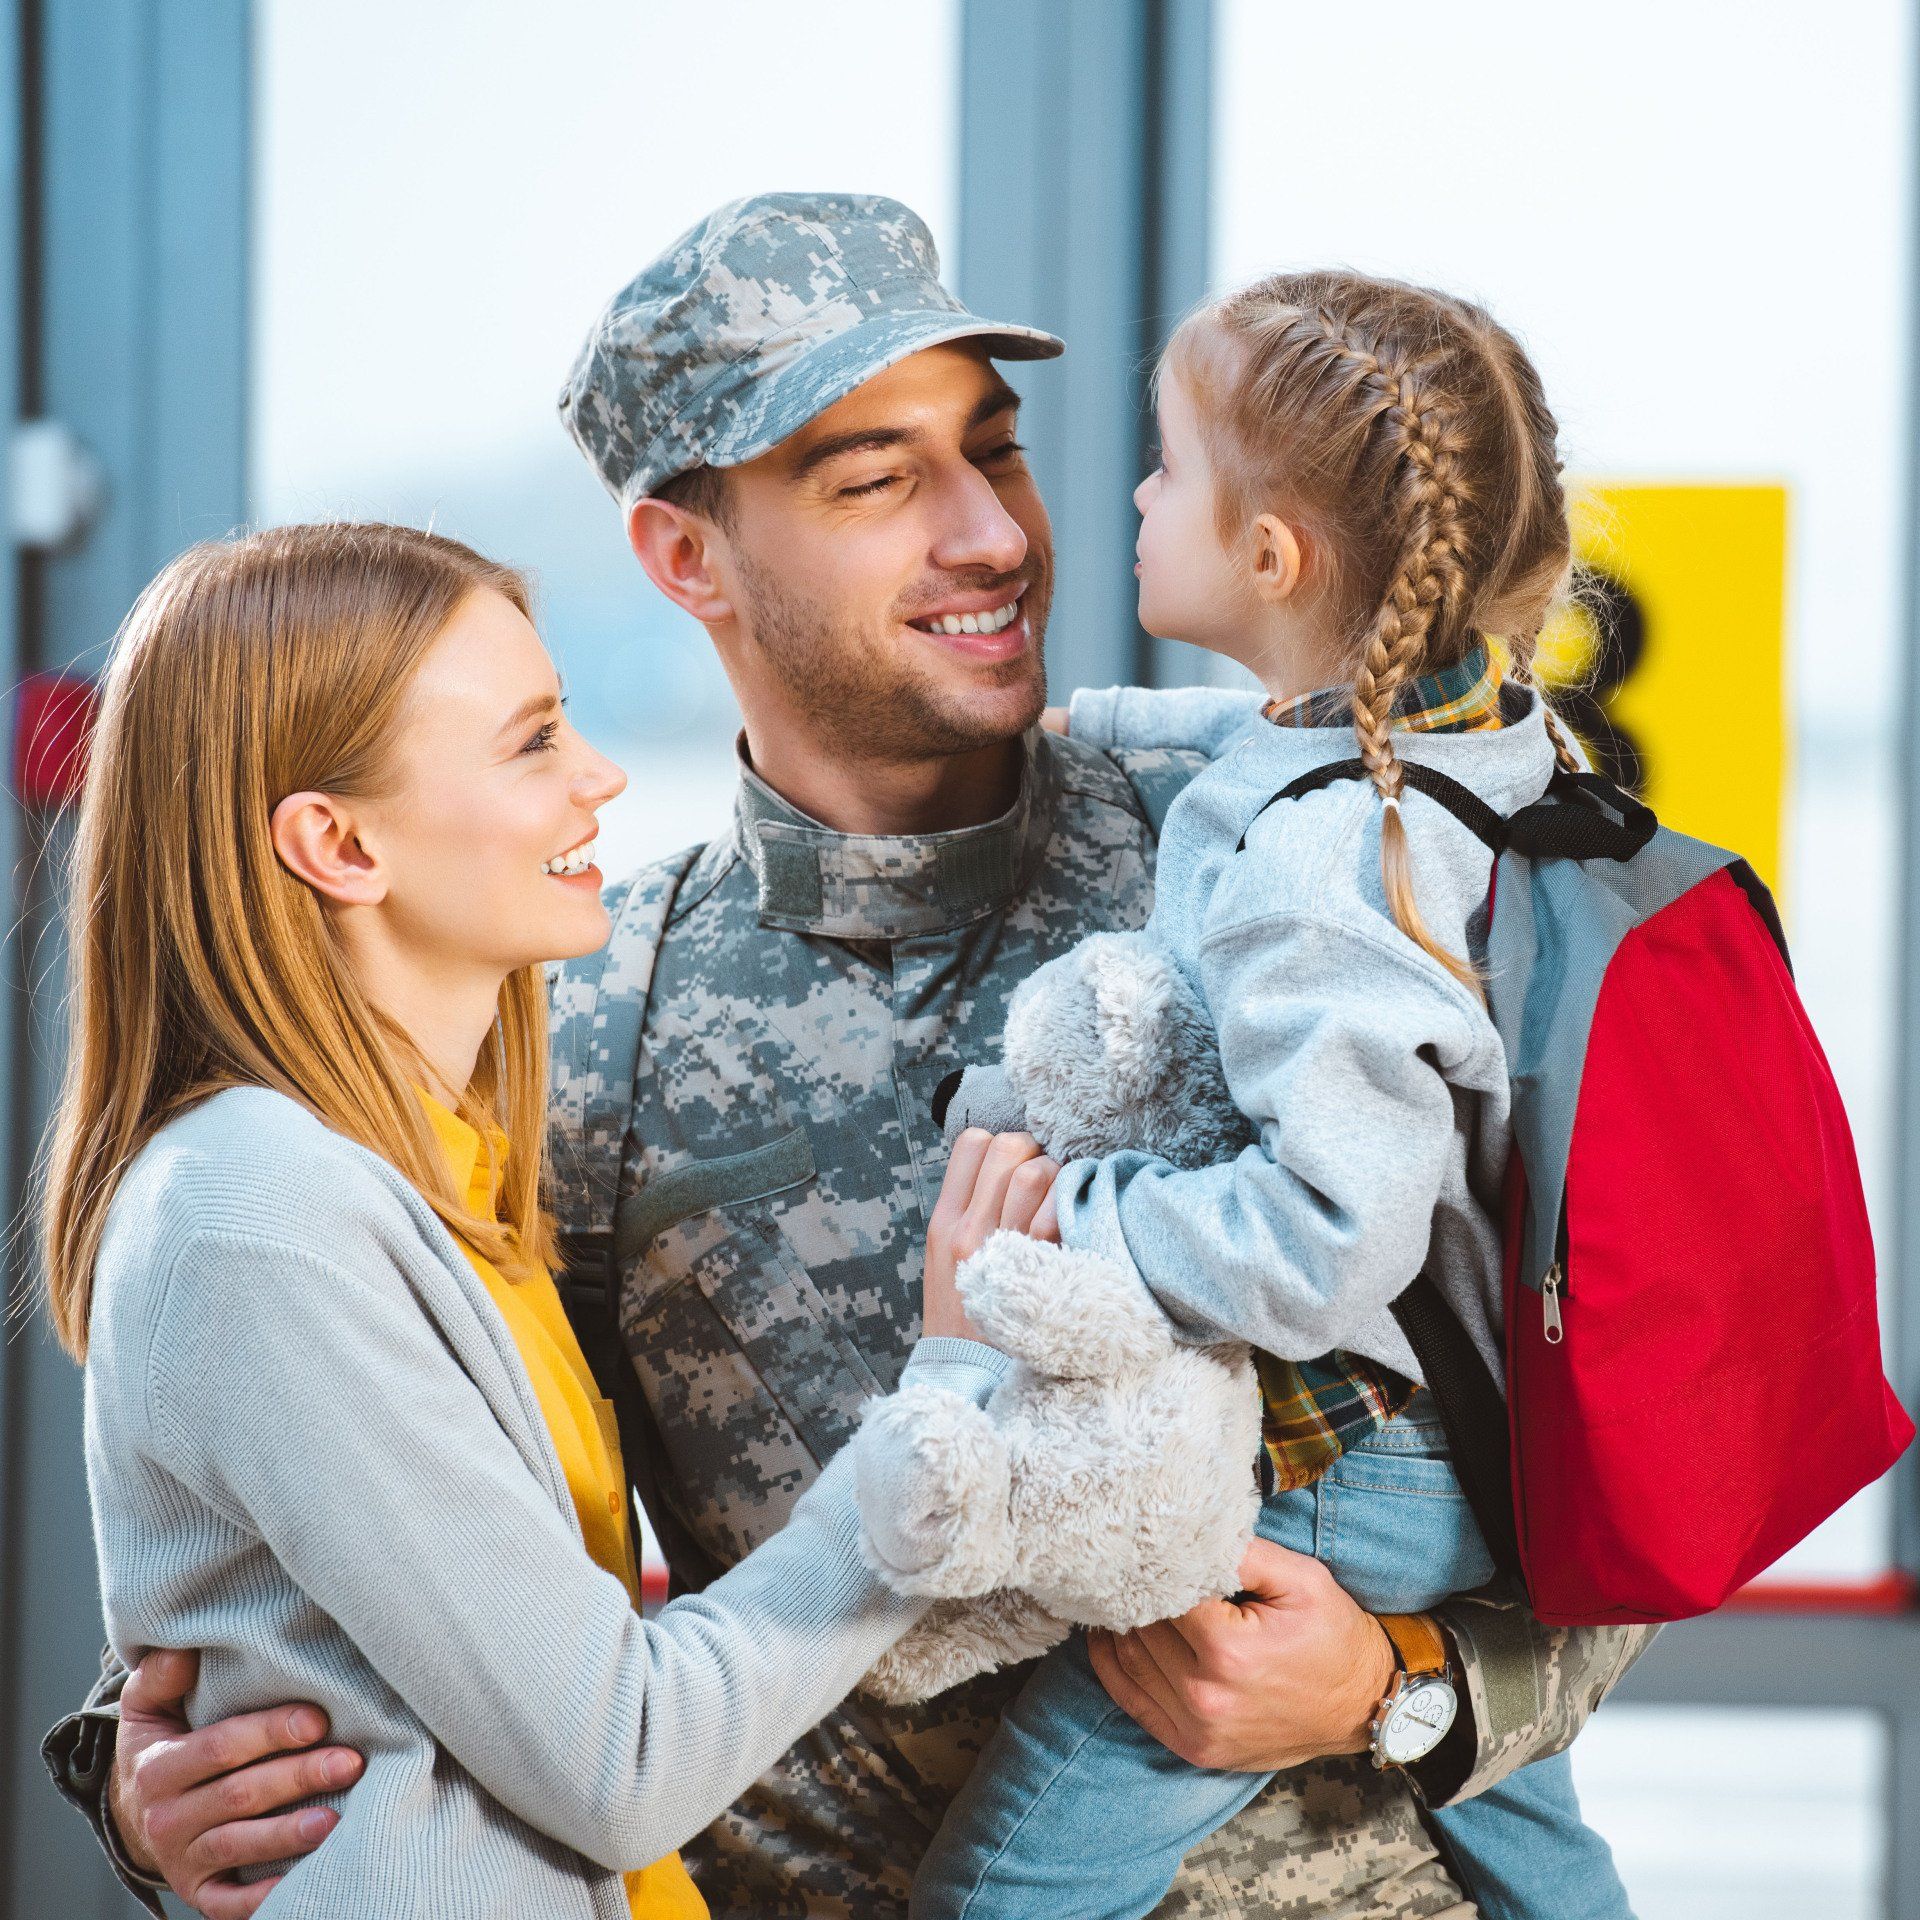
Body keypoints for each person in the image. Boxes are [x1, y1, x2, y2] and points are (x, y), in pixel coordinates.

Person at [48, 195, 1653, 1920]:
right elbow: (382, 1519)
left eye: (1000, 450)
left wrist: (1399, 1682)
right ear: (687, 559)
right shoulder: (569, 1026)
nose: (992, 534)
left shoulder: (1310, 867)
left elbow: (1629, 1443)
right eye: (876, 479)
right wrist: (145, 1785)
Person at [46, 519, 1043, 1918]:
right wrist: (946, 1410)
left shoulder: (454, 1164)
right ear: (336, 842)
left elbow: (340, 1606)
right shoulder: (255, 1211)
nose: (602, 777)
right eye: (531, 743)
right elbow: (615, 1756)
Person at [900, 273, 1631, 1920]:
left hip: (1343, 1462)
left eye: (1162, 470)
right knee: (1532, 1842)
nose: (1133, 498)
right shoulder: (1475, 751)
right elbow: (1255, 744)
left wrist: (1078, 1214)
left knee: (1006, 1884)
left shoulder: (1319, 876)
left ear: (1272, 555)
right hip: (1472, 1427)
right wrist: (1072, 720)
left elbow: (1322, 1242)